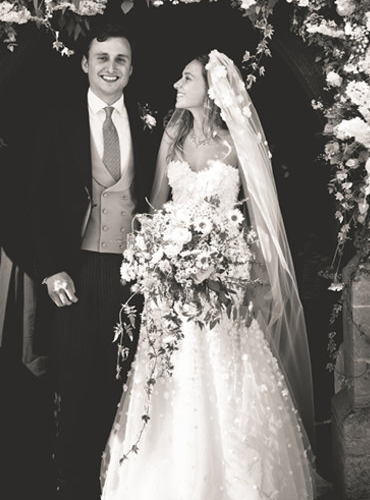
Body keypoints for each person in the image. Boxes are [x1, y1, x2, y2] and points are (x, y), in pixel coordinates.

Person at [101, 51, 315, 499]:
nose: (177, 84)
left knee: (225, 375)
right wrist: (159, 254)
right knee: (172, 375)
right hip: (172, 287)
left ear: (210, 90)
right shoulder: (172, 138)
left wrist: (242, 274)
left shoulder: (235, 144)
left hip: (225, 281)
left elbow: (257, 220)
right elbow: (156, 205)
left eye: (186, 78)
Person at [27, 23, 161, 498]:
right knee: (75, 379)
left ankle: (123, 479)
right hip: (75, 270)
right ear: (85, 64)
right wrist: (49, 268)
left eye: (120, 59)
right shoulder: (55, 117)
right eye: (101, 58)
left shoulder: (150, 118)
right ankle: (72, 482)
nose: (111, 67)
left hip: (135, 271)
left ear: (131, 68)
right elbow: (32, 199)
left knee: (126, 377)